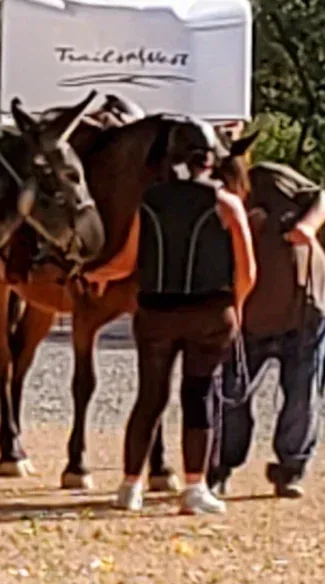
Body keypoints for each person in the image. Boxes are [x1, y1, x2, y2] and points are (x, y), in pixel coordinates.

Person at [108, 123, 256, 517]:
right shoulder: (227, 204)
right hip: (210, 313)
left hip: (155, 312)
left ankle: (130, 486)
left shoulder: (149, 202)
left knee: (150, 397)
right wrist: (236, 307)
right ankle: (194, 488)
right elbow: (247, 269)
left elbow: (126, 262)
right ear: (211, 159)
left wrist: (92, 274)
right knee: (199, 394)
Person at [211, 152, 325, 498]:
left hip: (305, 308)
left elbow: (320, 196)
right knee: (229, 394)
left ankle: (290, 469)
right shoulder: (208, 204)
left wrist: (308, 227)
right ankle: (220, 466)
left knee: (302, 394)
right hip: (246, 318)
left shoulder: (271, 176)